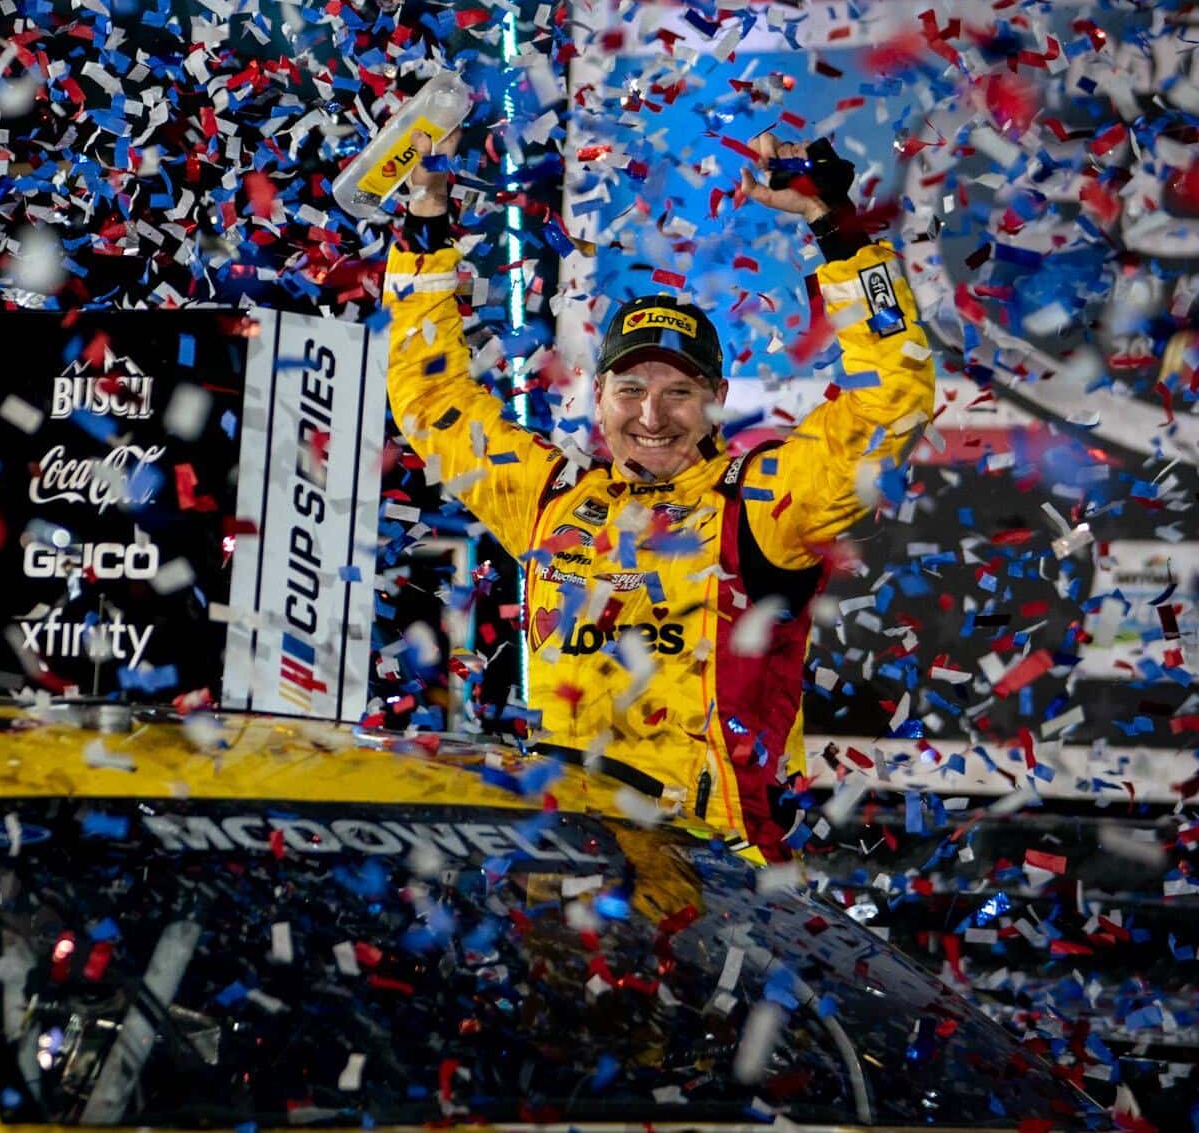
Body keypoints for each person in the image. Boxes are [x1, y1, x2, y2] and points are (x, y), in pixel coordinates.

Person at [382, 129, 936, 859]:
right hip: (568, 879)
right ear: (598, 394)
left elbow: (894, 394)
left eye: (680, 392)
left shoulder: (763, 503)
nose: (651, 415)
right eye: (632, 388)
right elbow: (429, 395)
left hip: (715, 890)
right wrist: (425, 219)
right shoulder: (551, 497)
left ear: (717, 399)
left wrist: (835, 227)